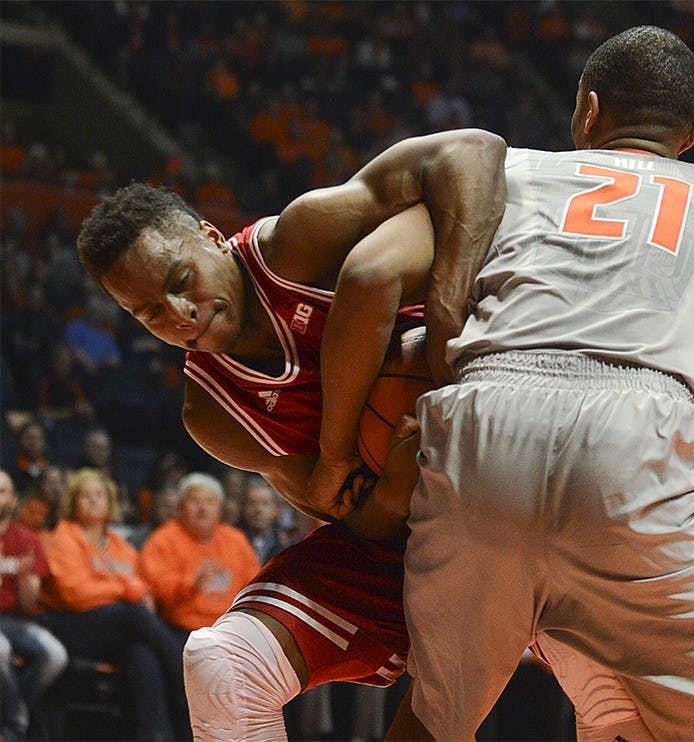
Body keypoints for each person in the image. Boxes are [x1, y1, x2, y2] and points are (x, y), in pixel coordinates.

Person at [318, 24, 694, 741]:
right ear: (692, 136)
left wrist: (336, 452)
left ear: (587, 111)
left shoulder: (503, 174)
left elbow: (369, 273)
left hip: (483, 422)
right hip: (634, 436)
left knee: (433, 719)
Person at [75, 130, 513, 740]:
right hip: (407, 531)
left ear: (209, 236)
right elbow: (347, 514)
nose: (179, 313)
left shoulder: (299, 241)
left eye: (181, 279)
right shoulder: (213, 412)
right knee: (219, 664)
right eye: (149, 313)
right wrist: (391, 487)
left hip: (509, 445)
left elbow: (475, 150)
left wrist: (445, 300)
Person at [36, 467, 188, 740]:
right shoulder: (63, 536)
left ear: (110, 503)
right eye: (85, 496)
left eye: (99, 495)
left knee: (141, 654)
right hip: (64, 623)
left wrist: (137, 595)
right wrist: (122, 588)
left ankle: (157, 736)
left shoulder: (121, 546)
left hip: (111, 628)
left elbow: (144, 593)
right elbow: (75, 594)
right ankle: (185, 684)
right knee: (132, 616)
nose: (93, 500)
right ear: (73, 502)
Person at [138, 472, 260, 641]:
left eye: (210, 501)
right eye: (195, 501)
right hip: (181, 631)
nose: (203, 508)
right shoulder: (163, 539)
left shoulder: (236, 540)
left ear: (220, 508)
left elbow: (255, 589)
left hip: (232, 631)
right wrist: (192, 582)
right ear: (180, 507)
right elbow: (153, 589)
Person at [0, 469, 68, 740]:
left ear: (14, 499)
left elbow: (29, 607)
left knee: (55, 654)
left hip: (13, 619)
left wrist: (26, 579)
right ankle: (15, 725)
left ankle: (10, 717)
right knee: (0, 650)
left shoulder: (28, 539)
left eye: (2, 491)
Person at [237, 474, 289, 563]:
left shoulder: (286, 543)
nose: (258, 509)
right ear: (243, 507)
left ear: (277, 508)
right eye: (252, 503)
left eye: (265, 503)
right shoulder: (234, 540)